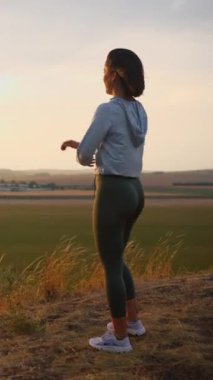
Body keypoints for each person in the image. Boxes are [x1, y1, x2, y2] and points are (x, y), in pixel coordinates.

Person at [61, 48, 148, 353]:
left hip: (112, 191)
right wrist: (91, 148)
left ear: (112, 74)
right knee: (118, 257)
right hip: (135, 190)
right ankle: (133, 322)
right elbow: (120, 151)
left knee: (110, 263)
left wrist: (82, 149)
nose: (102, 75)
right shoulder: (138, 111)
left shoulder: (108, 109)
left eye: (103, 70)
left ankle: (120, 338)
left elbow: (86, 155)